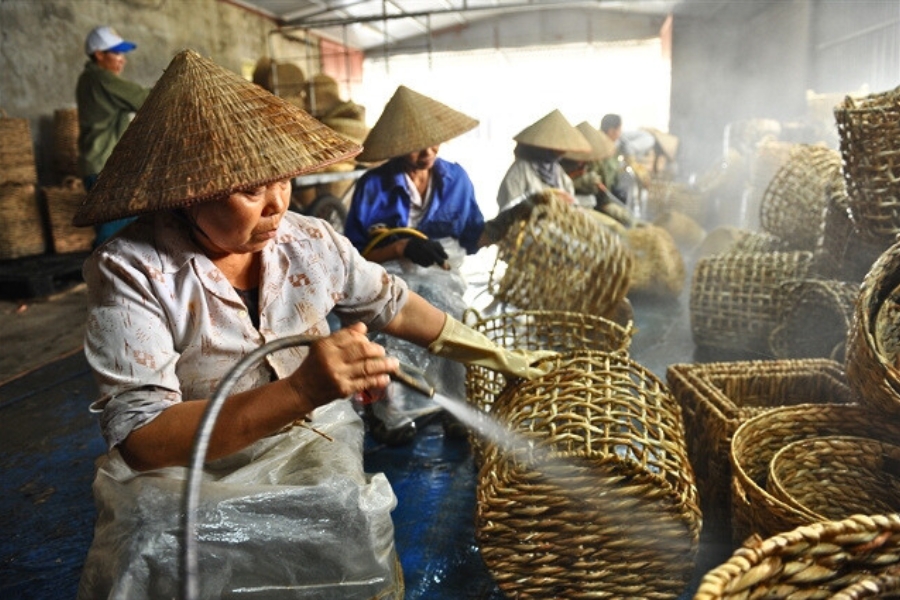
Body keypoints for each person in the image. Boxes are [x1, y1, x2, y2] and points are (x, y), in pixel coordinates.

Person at [73, 49, 548, 599]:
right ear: (184, 196)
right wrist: (304, 387)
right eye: (251, 190)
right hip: (186, 468)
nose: (276, 204)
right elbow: (144, 440)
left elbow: (390, 301)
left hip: (307, 442)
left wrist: (492, 352)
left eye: (283, 180)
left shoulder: (310, 240)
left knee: (348, 516)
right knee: (155, 547)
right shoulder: (131, 270)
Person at [344, 85, 486, 445]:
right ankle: (392, 415)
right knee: (388, 327)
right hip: (389, 273)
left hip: (441, 274)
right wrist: (401, 247)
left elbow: (473, 237)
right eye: (415, 145)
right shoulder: (372, 186)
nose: (427, 153)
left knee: (451, 322)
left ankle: (454, 409)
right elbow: (354, 257)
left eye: (434, 143)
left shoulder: (457, 179)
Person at [76, 25, 150, 247]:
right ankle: (103, 274)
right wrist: (175, 86)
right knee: (116, 228)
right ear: (99, 55)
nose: (122, 60)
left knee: (121, 223)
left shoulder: (89, 79)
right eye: (116, 53)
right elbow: (142, 98)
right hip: (104, 166)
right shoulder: (100, 78)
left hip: (101, 163)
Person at [496, 109, 590, 211]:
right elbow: (508, 209)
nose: (563, 151)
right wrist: (539, 201)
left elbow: (570, 199)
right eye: (559, 147)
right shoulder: (520, 171)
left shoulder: (556, 170)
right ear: (546, 147)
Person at [561, 121, 635, 227]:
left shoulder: (592, 164)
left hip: (592, 206)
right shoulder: (563, 163)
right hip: (570, 210)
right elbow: (558, 189)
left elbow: (603, 192)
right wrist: (580, 182)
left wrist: (606, 204)